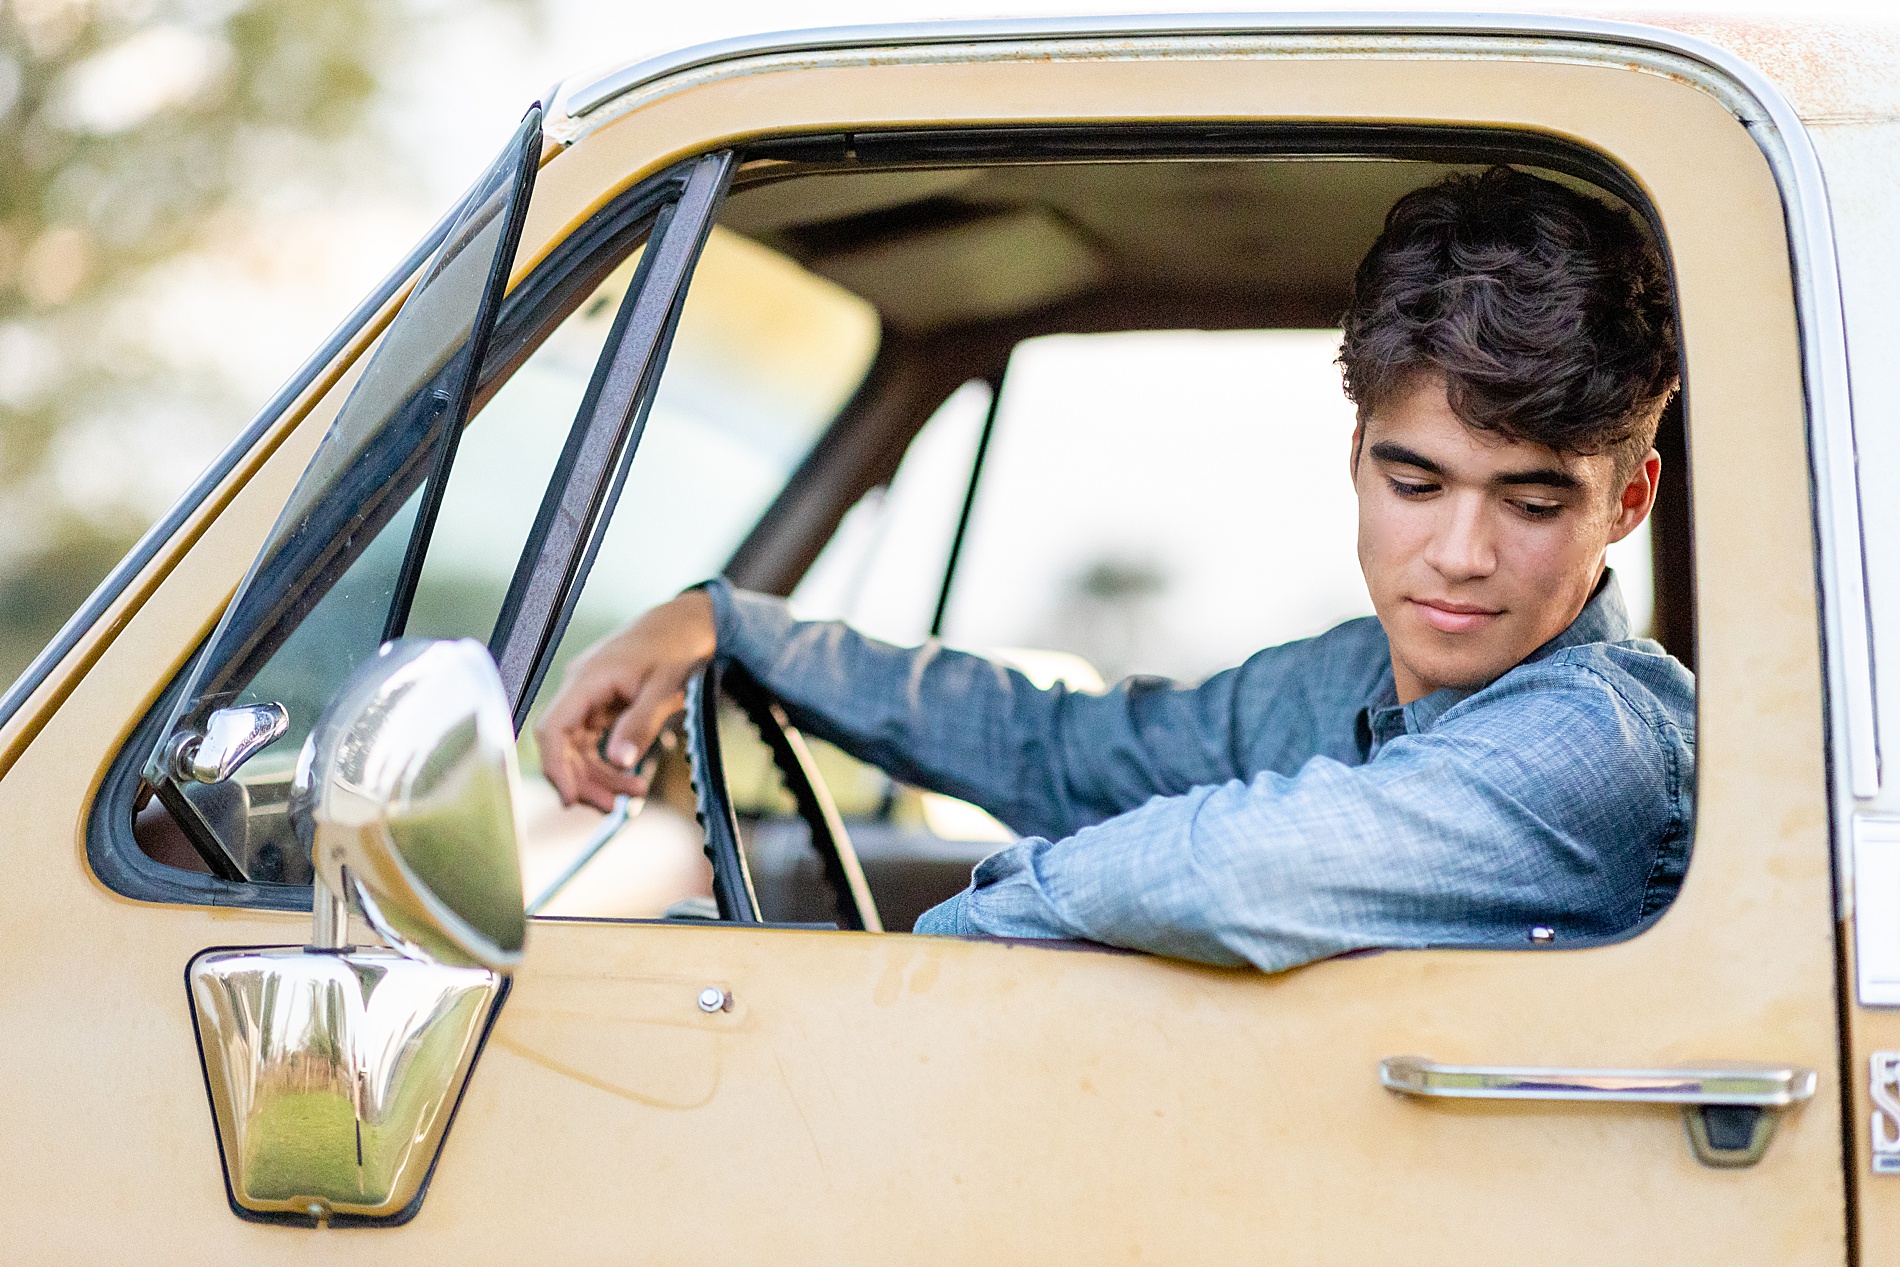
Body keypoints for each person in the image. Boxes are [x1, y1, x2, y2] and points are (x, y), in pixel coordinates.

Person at [534, 166, 1692, 972]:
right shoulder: (1346, 678)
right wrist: (733, 630)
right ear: (1356, 459)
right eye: (1416, 483)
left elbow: (1230, 874)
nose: (1457, 553)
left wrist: (896, 973)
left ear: (1625, 503)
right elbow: (1070, 752)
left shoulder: (1605, 742)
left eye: (1533, 501)